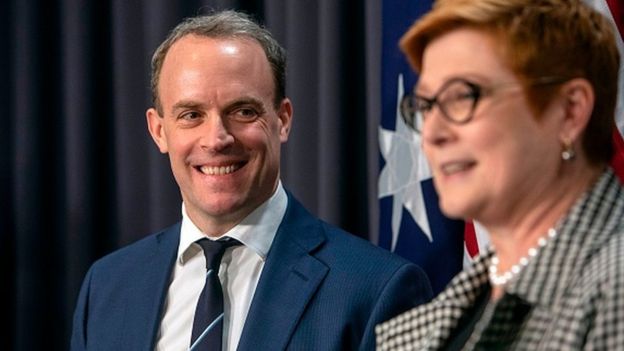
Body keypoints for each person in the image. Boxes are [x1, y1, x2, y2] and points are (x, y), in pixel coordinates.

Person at [70, 10, 432, 351]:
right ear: (159, 130)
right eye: (192, 114)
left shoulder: (377, 290)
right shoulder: (107, 287)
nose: (217, 139)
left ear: (283, 119)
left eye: (243, 111)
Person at [376, 0, 624, 349]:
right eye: (425, 107)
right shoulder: (421, 327)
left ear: (569, 111)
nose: (431, 133)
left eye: (463, 96)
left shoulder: (615, 292)